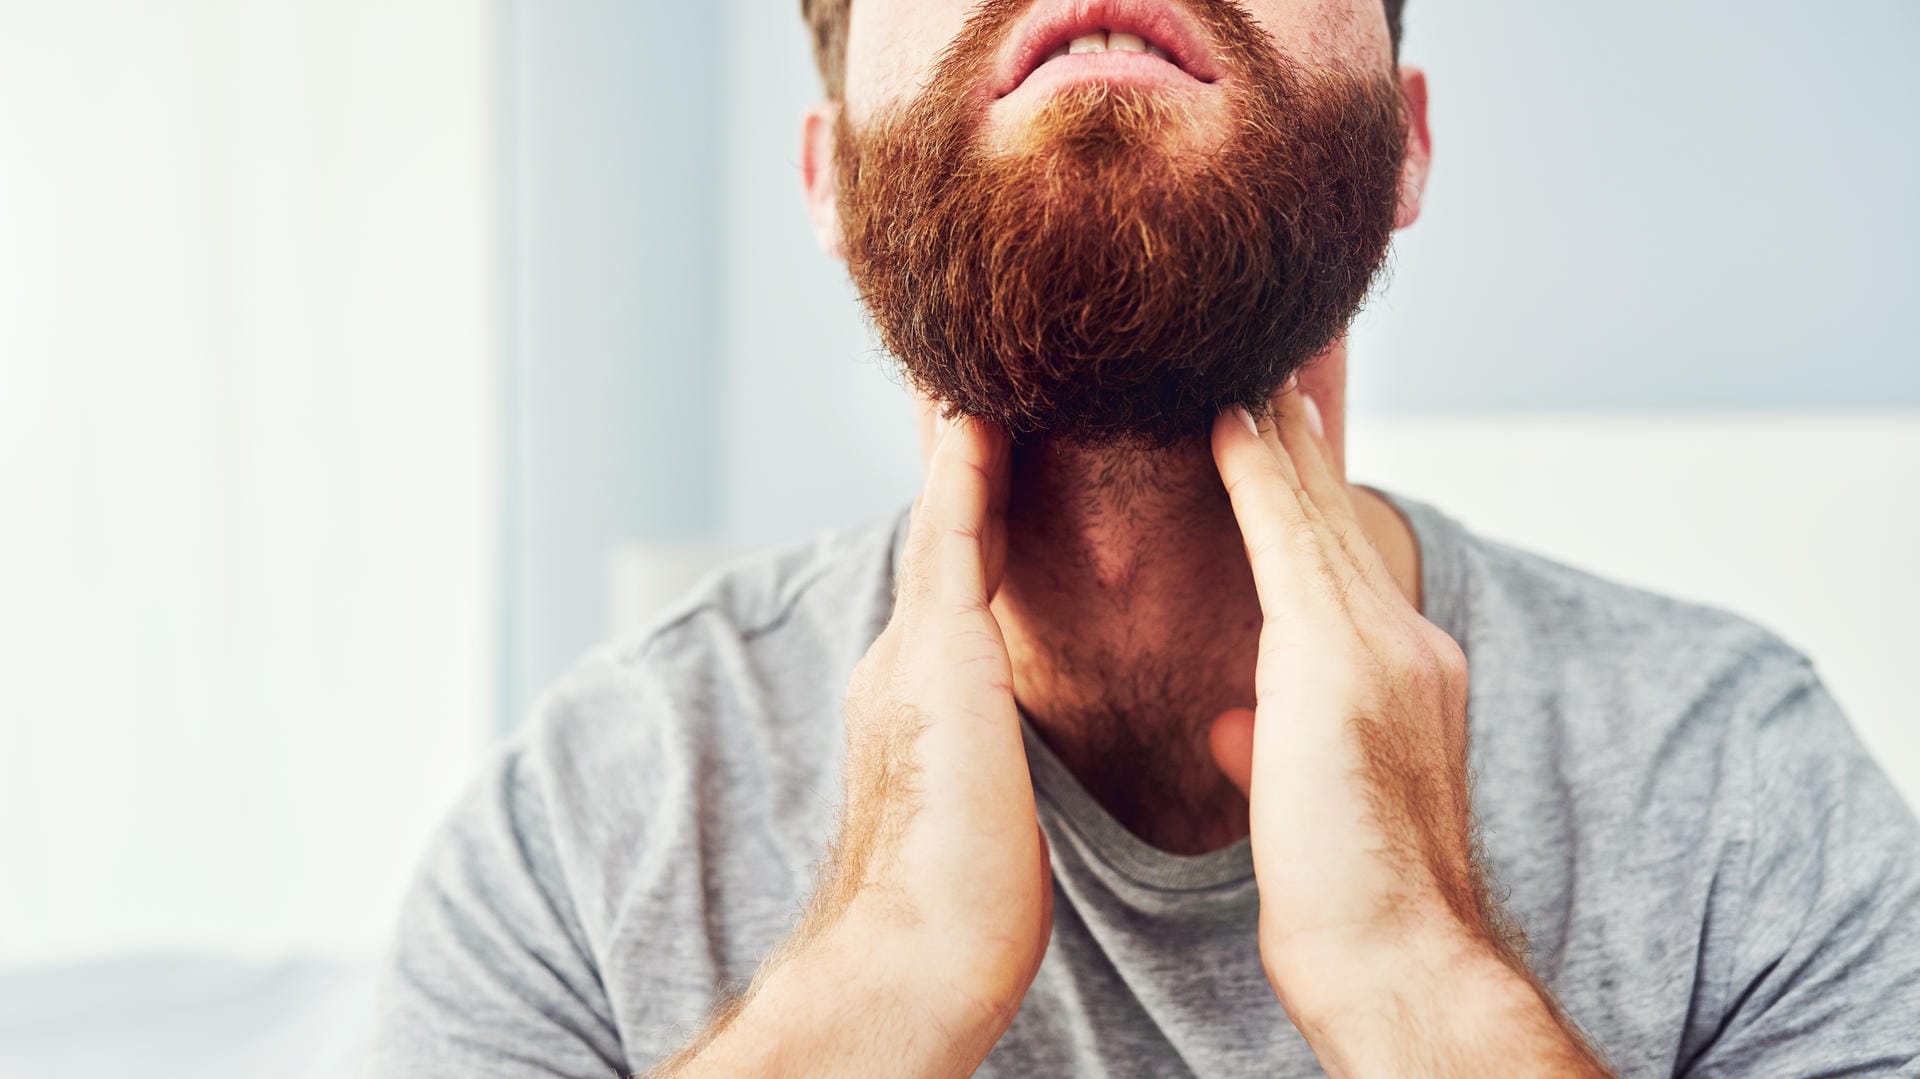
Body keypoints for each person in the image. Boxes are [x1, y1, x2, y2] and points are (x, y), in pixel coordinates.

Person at [371, 0, 1920, 1074]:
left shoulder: (1746, 796)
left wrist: (1418, 976)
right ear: (832, 180)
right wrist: (878, 981)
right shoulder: (577, 834)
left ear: (1404, 151)